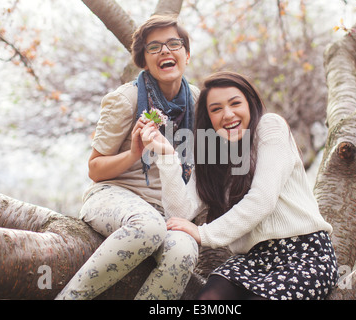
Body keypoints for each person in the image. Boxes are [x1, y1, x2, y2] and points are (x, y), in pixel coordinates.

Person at [141, 71, 338, 300]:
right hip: (251, 260)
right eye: (216, 109)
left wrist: (204, 234)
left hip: (304, 254)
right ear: (208, 117)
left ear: (251, 104)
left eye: (235, 103)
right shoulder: (211, 152)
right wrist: (166, 156)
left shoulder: (270, 127)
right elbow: (180, 215)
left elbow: (262, 199)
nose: (228, 114)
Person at [55, 15, 199, 300]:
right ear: (143, 61)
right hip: (114, 195)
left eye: (173, 44)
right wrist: (135, 152)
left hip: (167, 208)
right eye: (154, 47)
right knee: (148, 226)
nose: (165, 52)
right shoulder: (125, 100)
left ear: (187, 54)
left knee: (184, 251)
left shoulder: (197, 100)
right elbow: (95, 169)